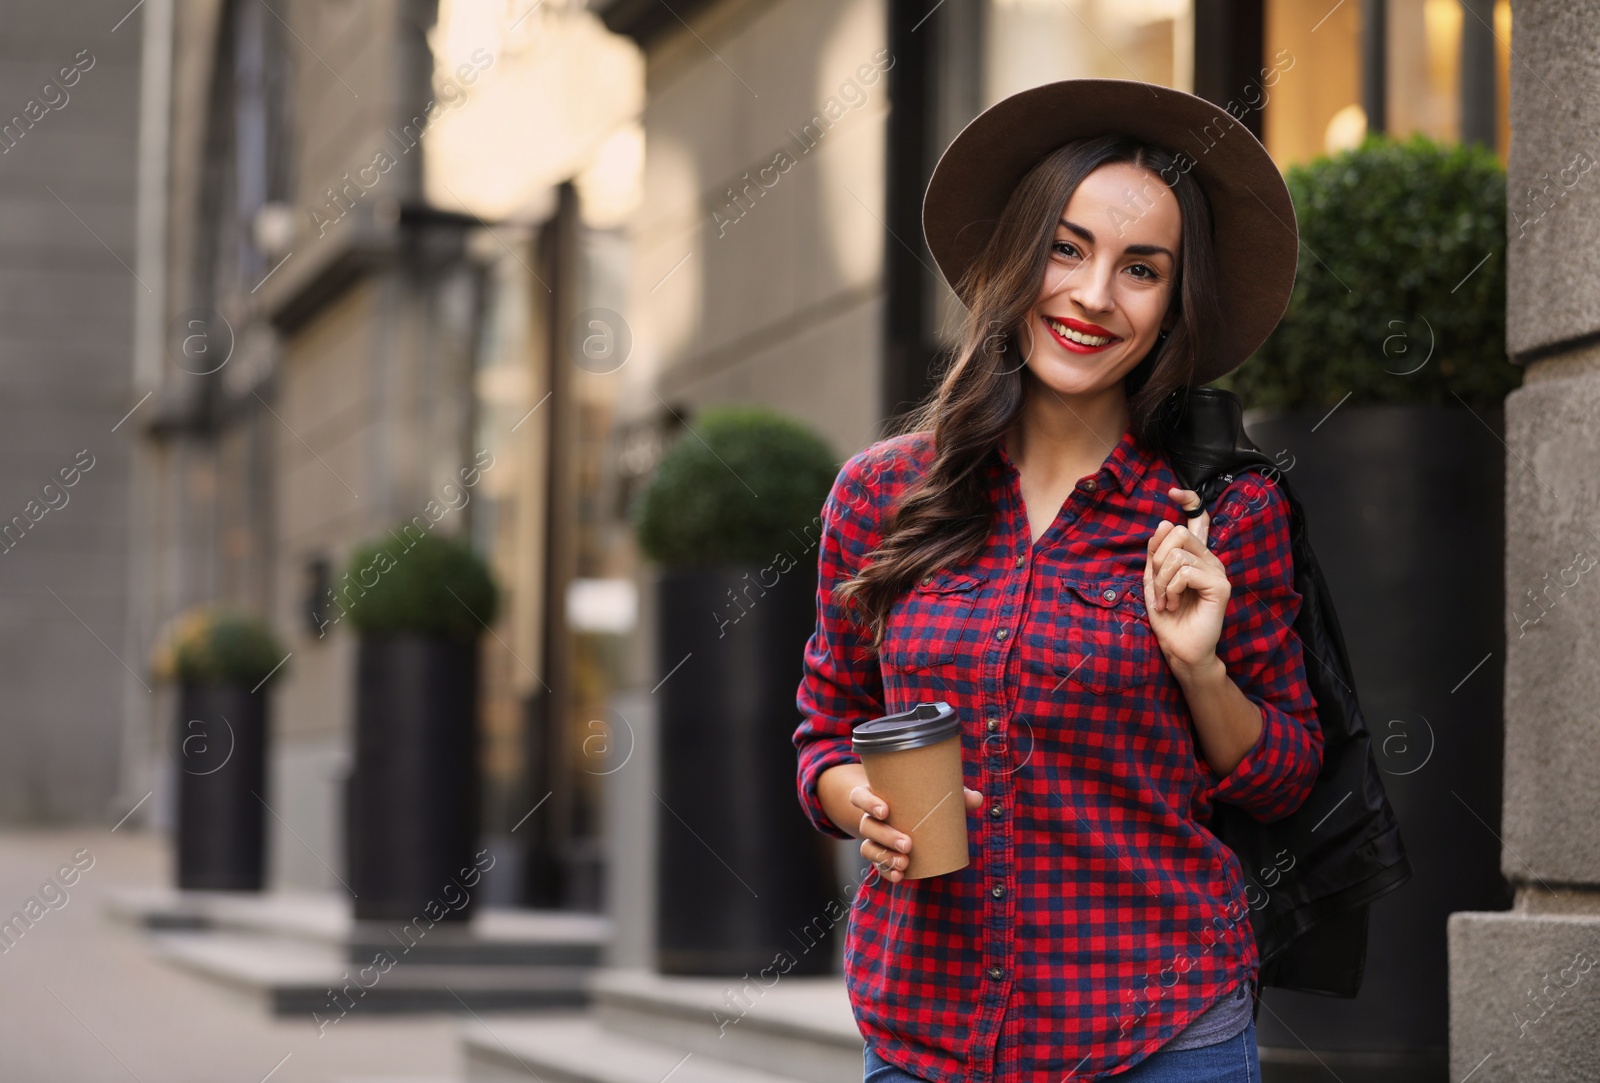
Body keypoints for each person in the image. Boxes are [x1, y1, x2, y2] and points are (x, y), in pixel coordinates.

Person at [793, 79, 1321, 1083]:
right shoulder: (880, 495)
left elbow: (1284, 772)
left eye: (1140, 270)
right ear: (1012, 258)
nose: (1091, 297)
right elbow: (827, 724)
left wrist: (1200, 670)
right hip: (924, 1035)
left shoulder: (1217, 516)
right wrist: (860, 798)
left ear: (1173, 305)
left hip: (1157, 1032)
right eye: (1066, 248)